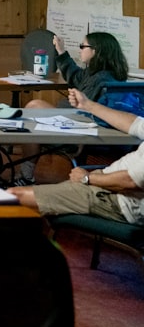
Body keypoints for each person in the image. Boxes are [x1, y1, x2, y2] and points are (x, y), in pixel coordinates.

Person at [9, 87, 143, 225]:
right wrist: (88, 104)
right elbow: (134, 123)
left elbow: (130, 181)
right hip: (106, 184)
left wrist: (87, 178)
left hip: (117, 201)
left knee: (12, 197)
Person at [17, 30, 129, 184]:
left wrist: (77, 102)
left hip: (81, 133)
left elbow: (86, 113)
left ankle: (26, 174)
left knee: (33, 108)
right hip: (79, 124)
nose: (80, 49)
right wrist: (61, 52)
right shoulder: (97, 73)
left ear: (95, 51)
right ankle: (26, 173)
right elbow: (74, 75)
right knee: (34, 111)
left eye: (83, 46)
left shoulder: (102, 79)